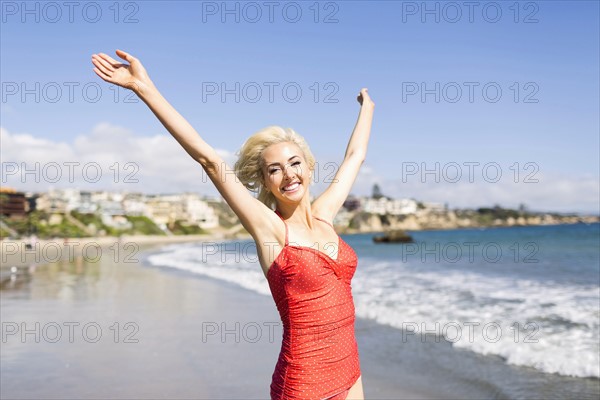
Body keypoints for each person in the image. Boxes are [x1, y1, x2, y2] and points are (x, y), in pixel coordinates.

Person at [91, 49, 374, 400]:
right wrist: (142, 86)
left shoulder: (325, 216)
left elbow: (355, 156)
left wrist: (368, 107)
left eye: (294, 162)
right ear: (265, 181)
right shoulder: (271, 229)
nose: (288, 174)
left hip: (349, 370)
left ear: (310, 166)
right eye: (274, 169)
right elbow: (208, 160)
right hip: (304, 383)